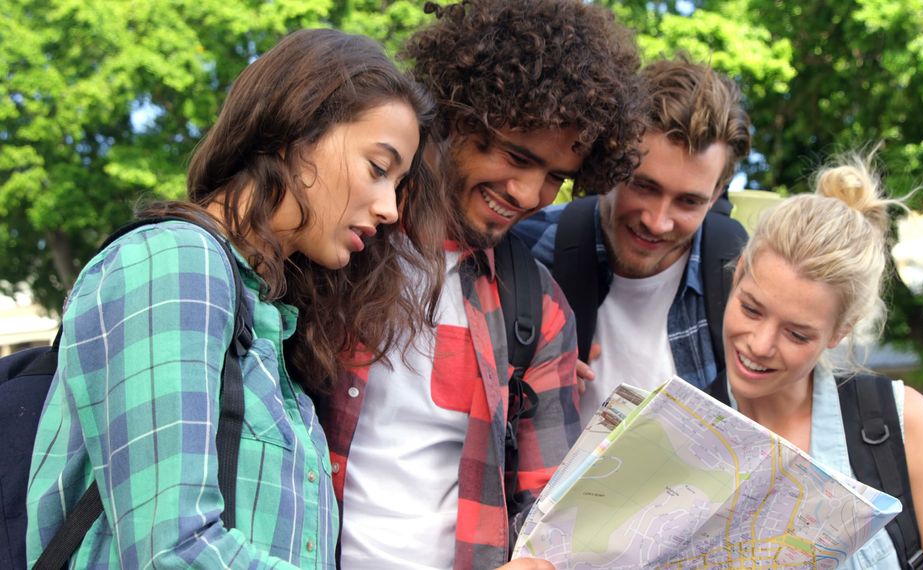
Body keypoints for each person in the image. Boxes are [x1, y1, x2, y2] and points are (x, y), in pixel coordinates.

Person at [25, 29, 447, 569]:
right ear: (296, 130)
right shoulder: (178, 261)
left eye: (398, 183)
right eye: (378, 168)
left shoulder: (268, 322)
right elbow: (173, 551)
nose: (390, 208)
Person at [318, 1, 647, 568]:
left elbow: (547, 509)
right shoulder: (335, 248)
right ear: (458, 115)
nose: (529, 194)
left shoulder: (539, 309)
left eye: (556, 177)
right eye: (516, 156)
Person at [721, 153, 923, 568]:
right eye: (751, 309)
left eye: (797, 333)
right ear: (738, 273)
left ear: (841, 330)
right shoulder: (677, 432)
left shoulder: (899, 423)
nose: (761, 344)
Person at [514, 57, 752, 419]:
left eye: (688, 202)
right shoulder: (526, 249)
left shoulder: (738, 277)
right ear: (611, 162)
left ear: (717, 193)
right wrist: (519, 385)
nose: (657, 222)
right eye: (643, 186)